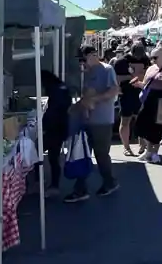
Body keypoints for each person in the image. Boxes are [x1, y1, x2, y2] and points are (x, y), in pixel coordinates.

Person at [65, 47, 120, 203]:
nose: (81, 64)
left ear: (93, 56)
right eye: (80, 61)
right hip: (87, 120)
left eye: (83, 60)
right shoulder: (87, 73)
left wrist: (95, 100)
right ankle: (80, 189)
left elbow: (114, 90)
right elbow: (87, 95)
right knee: (83, 153)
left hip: (102, 121)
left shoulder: (107, 70)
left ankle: (110, 182)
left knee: (101, 154)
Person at [133, 46, 162, 163]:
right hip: (149, 98)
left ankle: (155, 153)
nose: (153, 60)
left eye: (155, 57)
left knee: (159, 127)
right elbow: (146, 84)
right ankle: (148, 150)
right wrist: (139, 84)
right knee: (144, 125)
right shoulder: (151, 68)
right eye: (151, 57)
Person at [40, 69, 72, 197]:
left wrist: (44, 124)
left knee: (41, 153)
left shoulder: (55, 90)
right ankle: (53, 184)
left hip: (55, 128)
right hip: (61, 126)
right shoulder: (61, 87)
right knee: (54, 156)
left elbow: (53, 112)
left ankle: (49, 184)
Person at [115, 45, 149, 157]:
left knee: (142, 119)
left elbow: (147, 76)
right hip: (126, 94)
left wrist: (137, 76)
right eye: (137, 55)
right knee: (125, 120)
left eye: (141, 55)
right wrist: (134, 76)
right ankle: (126, 147)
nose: (139, 57)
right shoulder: (121, 62)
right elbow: (117, 79)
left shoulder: (146, 60)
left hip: (141, 93)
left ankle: (142, 145)